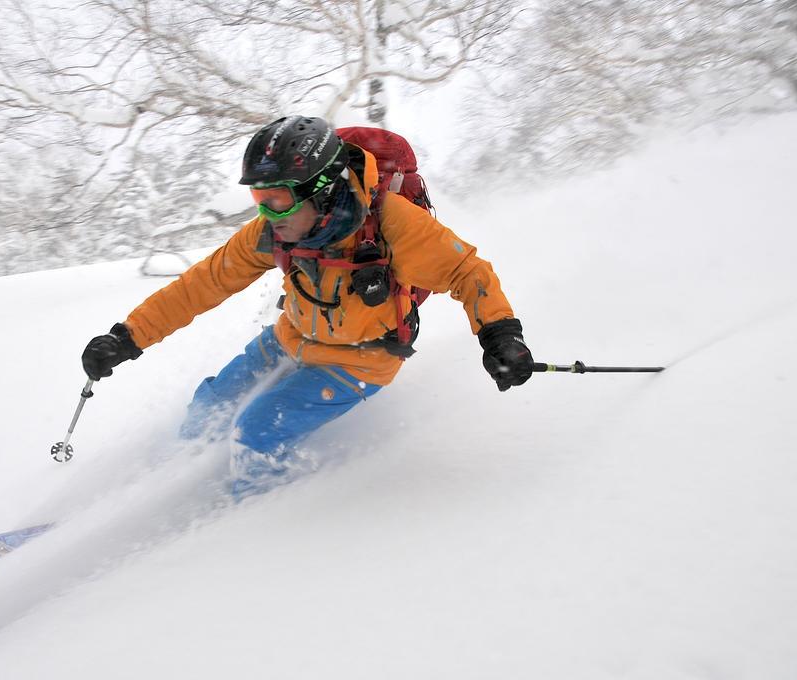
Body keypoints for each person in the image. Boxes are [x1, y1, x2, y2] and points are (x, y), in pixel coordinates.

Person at [81, 116, 534, 498]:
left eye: (275, 200)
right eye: (259, 200)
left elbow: (468, 273)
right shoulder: (274, 230)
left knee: (256, 434)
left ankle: (246, 522)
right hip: (290, 337)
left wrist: (501, 337)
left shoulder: (392, 223)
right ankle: (172, 488)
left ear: (321, 189)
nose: (266, 214)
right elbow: (202, 284)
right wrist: (127, 337)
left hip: (358, 360)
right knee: (207, 408)